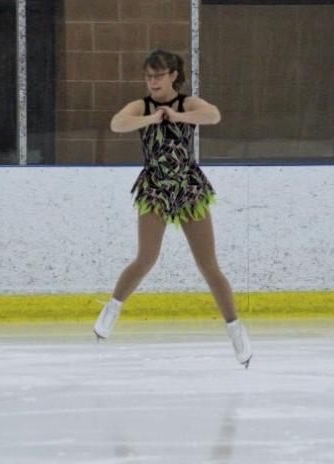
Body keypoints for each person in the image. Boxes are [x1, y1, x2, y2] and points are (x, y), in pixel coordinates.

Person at [93, 49, 252, 368]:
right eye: (148, 76)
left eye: (158, 75)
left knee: (208, 266)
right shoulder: (142, 106)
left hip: (189, 188)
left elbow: (214, 115)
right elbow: (117, 124)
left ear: (173, 76)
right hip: (155, 188)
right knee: (146, 258)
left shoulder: (187, 103)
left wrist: (178, 116)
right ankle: (113, 307)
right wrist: (153, 118)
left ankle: (235, 329)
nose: (152, 81)